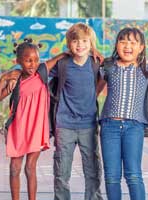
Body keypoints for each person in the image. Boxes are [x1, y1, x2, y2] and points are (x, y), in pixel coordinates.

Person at [0, 38, 62, 200]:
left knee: (30, 168)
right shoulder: (14, 80)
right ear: (18, 61)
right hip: (18, 129)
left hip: (37, 129)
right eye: (28, 60)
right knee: (15, 168)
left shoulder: (42, 72)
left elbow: (62, 56)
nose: (33, 64)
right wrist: (4, 78)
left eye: (36, 60)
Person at [97, 27, 148, 200]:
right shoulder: (108, 67)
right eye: (123, 41)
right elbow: (95, 91)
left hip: (134, 127)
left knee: (133, 175)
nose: (127, 46)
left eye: (133, 42)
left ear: (141, 47)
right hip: (109, 127)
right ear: (116, 45)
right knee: (111, 177)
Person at [50, 22, 103, 200]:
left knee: (92, 168)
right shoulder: (63, 64)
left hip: (88, 124)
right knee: (62, 170)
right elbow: (41, 70)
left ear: (91, 43)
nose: (80, 44)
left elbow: (107, 74)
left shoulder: (96, 64)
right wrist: (59, 56)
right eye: (75, 41)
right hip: (64, 124)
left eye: (84, 41)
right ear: (69, 44)